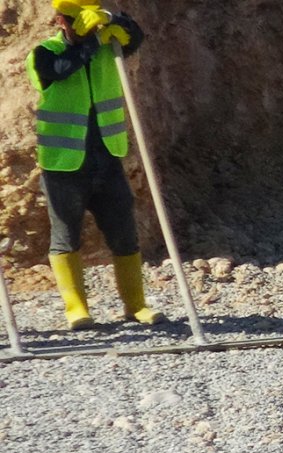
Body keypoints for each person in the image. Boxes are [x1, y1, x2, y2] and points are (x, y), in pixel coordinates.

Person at [26, 0, 163, 330]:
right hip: (63, 165)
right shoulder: (44, 53)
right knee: (66, 235)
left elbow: (137, 37)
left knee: (123, 230)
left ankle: (136, 306)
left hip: (106, 157)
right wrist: (94, 41)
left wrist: (112, 20)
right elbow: (61, 69)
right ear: (61, 20)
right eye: (76, 21)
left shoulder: (107, 49)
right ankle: (76, 309)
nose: (84, 26)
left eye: (87, 19)